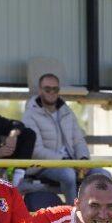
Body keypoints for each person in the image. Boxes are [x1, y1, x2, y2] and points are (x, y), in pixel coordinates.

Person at [22, 73, 97, 203]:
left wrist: (83, 160)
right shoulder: (30, 115)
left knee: (103, 175)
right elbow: (37, 150)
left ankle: (94, 214)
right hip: (43, 166)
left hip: (73, 163)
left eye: (55, 89)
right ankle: (73, 216)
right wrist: (66, 161)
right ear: (40, 90)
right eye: (47, 89)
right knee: (68, 174)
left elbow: (79, 140)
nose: (51, 92)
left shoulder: (67, 112)